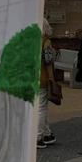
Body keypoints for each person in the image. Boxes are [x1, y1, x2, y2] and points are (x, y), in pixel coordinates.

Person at [36, 21, 57, 149]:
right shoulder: (46, 42)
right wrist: (52, 79)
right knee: (41, 109)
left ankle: (47, 133)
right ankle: (38, 137)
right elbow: (48, 62)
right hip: (41, 78)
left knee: (36, 108)